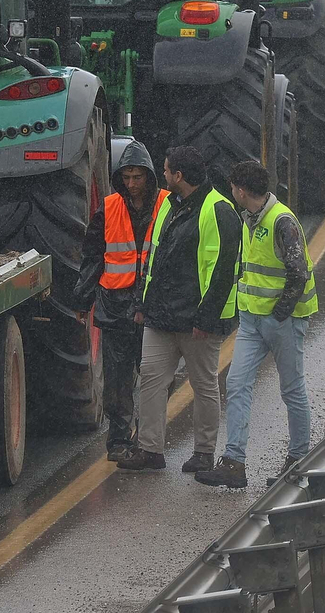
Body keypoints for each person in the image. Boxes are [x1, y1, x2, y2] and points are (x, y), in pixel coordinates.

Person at [195, 160, 319, 490]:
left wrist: (280, 315)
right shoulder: (249, 218)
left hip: (283, 322)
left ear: (241, 191)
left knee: (292, 389)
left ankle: (298, 460)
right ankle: (234, 462)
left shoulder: (282, 221)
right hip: (251, 321)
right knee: (237, 384)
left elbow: (298, 272)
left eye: (234, 188)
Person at [117, 145, 241, 472]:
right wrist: (144, 304)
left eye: (167, 170)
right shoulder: (170, 205)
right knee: (151, 382)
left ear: (179, 176)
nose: (164, 174)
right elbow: (155, 260)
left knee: (203, 387)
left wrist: (206, 318)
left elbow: (223, 270)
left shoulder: (219, 211)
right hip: (161, 318)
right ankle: (150, 450)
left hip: (198, 322)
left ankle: (203, 452)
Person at [75, 140, 168, 461]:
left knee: (155, 378)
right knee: (116, 379)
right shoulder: (109, 207)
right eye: (126, 177)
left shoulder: (168, 206)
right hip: (115, 306)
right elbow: (92, 257)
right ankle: (118, 440)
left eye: (137, 177)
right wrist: (82, 300)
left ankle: (148, 438)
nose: (131, 184)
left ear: (150, 177)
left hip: (154, 308)